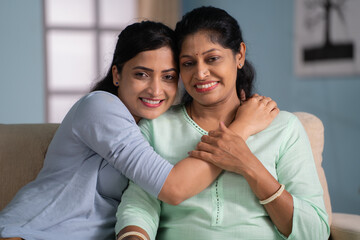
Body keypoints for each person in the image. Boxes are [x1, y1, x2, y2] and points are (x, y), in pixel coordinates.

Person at [0, 21, 276, 240]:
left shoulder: (154, 126)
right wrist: (242, 127)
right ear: (117, 74)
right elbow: (175, 188)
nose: (156, 90)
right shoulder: (100, 107)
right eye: (141, 74)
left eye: (168, 77)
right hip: (29, 234)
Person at [115, 6, 330, 240]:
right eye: (188, 63)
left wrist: (250, 166)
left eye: (212, 58)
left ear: (239, 56)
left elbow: (315, 231)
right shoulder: (156, 127)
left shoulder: (284, 128)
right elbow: (139, 207)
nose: (200, 73)